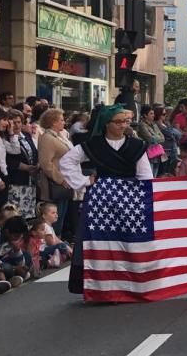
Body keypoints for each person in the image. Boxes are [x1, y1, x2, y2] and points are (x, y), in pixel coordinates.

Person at [59, 105, 152, 296]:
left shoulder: (136, 145)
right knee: (101, 241)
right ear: (106, 124)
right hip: (101, 202)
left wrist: (145, 198)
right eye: (118, 122)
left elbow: (145, 176)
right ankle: (101, 286)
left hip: (129, 200)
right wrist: (84, 181)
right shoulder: (94, 144)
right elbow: (66, 161)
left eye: (125, 121)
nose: (123, 125)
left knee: (127, 240)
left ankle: (130, 284)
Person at [37, 109, 74, 237]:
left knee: (61, 216)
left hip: (65, 181)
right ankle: (52, 242)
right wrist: (60, 179)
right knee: (53, 217)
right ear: (53, 122)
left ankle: (58, 241)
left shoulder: (59, 136)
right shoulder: (47, 138)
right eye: (61, 120)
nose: (64, 122)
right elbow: (46, 163)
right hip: (55, 183)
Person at [6, 110, 39, 221]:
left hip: (30, 180)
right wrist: (26, 168)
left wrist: (35, 166)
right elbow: (10, 159)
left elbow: (34, 152)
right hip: (16, 180)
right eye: (13, 122)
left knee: (29, 213)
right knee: (16, 214)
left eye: (19, 122)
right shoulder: (6, 138)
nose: (17, 125)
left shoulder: (25, 136)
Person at [138, 105, 166, 177]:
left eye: (153, 113)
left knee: (155, 176)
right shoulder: (142, 125)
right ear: (145, 115)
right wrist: (157, 137)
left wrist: (156, 138)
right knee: (150, 175)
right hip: (149, 153)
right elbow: (150, 139)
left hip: (158, 154)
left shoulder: (154, 124)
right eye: (151, 113)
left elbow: (163, 137)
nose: (153, 115)